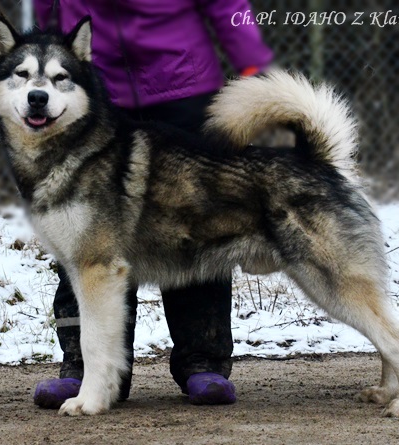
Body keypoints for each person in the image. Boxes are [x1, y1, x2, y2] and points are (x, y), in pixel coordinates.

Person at [31, 0, 273, 409]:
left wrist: (253, 64)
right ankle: (87, 369)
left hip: (184, 83)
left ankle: (202, 360)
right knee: (84, 237)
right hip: (94, 88)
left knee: (198, 223)